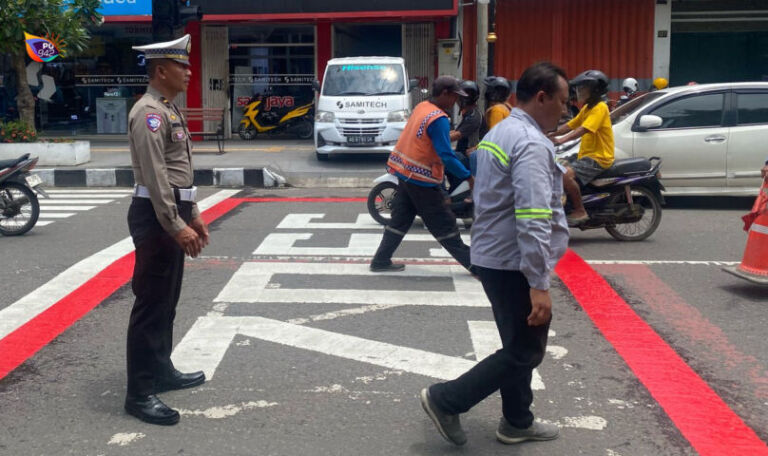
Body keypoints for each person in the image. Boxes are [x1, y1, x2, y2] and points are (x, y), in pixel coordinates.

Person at [419, 61, 570, 446]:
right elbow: (534, 217)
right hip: (513, 261)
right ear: (542, 97)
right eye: (563, 101)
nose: (565, 111)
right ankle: (446, 399)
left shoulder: (499, 133)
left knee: (517, 343)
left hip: (491, 255)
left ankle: (517, 421)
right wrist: (539, 282)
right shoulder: (531, 144)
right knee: (525, 351)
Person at [124, 34, 209, 426]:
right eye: (182, 66)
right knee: (151, 305)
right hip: (156, 216)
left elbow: (179, 173)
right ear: (161, 71)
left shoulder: (167, 109)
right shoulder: (148, 113)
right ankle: (139, 393)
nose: (189, 72)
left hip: (171, 212)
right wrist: (176, 224)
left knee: (167, 302)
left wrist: (193, 213)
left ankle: (161, 370)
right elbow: (158, 178)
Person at [370, 76, 473, 273]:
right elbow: (447, 156)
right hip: (423, 180)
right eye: (454, 96)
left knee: (400, 219)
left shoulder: (422, 107)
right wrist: (468, 176)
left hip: (405, 174)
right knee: (445, 225)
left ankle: (381, 260)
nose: (455, 102)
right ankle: (475, 266)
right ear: (444, 93)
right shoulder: (439, 119)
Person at [548, 70, 614, 224]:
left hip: (598, 157)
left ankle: (580, 210)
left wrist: (561, 140)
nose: (580, 91)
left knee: (565, 175)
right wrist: (552, 134)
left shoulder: (600, 108)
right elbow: (572, 124)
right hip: (586, 155)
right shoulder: (587, 108)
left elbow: (584, 128)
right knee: (556, 165)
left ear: (595, 90)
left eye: (585, 88)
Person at [448, 79, 482, 187]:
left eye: (459, 97)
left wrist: (435, 139)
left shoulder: (474, 116)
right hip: (463, 155)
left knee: (440, 160)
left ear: (465, 99)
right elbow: (455, 131)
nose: (456, 100)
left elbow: (457, 135)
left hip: (468, 157)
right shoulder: (469, 113)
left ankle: (442, 195)